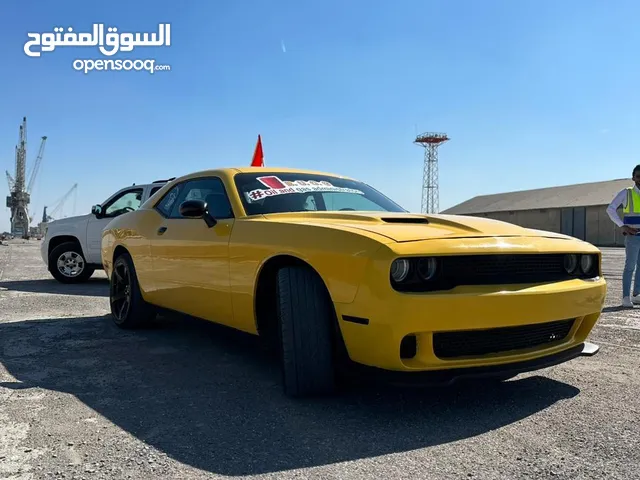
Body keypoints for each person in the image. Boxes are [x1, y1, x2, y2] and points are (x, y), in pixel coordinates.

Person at [606, 164, 640, 307]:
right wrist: (622, 225)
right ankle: (626, 297)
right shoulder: (626, 193)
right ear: (633, 178)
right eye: (638, 176)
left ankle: (637, 294)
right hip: (632, 236)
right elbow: (610, 209)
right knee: (630, 266)